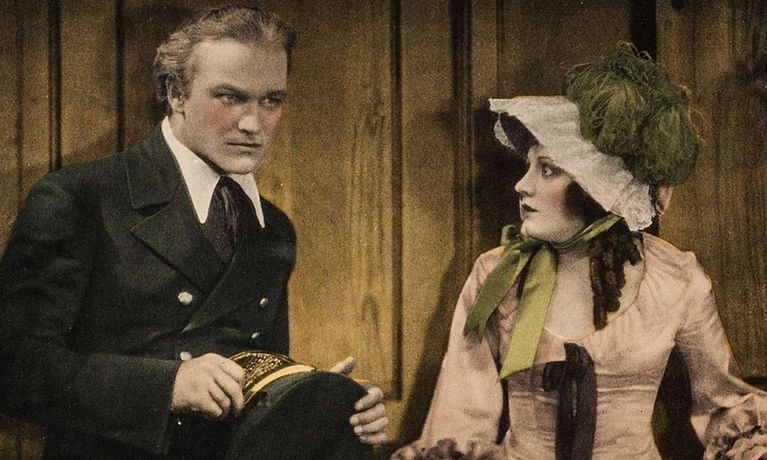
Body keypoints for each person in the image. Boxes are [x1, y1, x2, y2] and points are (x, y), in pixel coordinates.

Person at [0, 5, 387, 459]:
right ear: (175, 93)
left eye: (271, 100)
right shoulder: (80, 198)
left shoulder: (273, 229)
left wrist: (315, 398)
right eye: (230, 97)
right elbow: (14, 367)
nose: (253, 124)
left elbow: (250, 379)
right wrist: (168, 386)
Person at [394, 44, 767, 459]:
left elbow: (725, 406)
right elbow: (461, 418)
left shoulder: (674, 279)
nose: (522, 185)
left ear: (598, 189)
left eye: (547, 169)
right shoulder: (497, 275)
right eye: (528, 166)